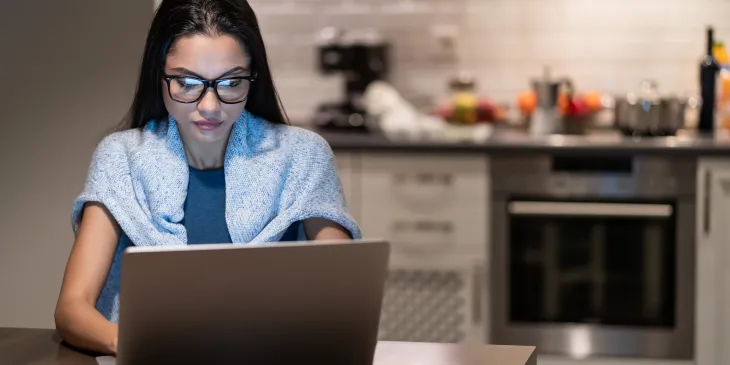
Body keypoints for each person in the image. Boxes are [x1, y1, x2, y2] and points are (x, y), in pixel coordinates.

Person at [53, 0, 361, 356]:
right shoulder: (120, 157)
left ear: (253, 77)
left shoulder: (303, 155)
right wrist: (137, 345)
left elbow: (343, 304)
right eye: (186, 82)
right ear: (159, 76)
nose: (210, 106)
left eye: (231, 82)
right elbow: (72, 309)